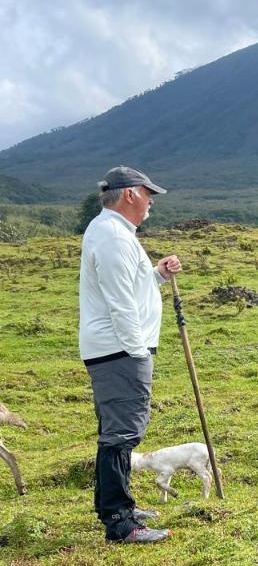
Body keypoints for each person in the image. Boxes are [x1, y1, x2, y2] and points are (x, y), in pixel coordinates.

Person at [79, 166, 182, 543]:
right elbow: (121, 304)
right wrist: (138, 353)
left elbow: (130, 287)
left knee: (118, 432)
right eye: (147, 192)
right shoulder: (112, 237)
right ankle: (120, 523)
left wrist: (156, 273)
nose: (152, 200)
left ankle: (118, 506)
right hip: (119, 350)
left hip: (117, 349)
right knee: (121, 434)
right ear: (129, 194)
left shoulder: (115, 233)